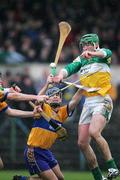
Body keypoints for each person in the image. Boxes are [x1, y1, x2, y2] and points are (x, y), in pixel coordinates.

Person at [52, 34, 119, 180]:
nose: (84, 47)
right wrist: (60, 76)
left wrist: (92, 53)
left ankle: (112, 166)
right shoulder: (81, 59)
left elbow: (105, 53)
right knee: (82, 143)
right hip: (88, 102)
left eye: (87, 44)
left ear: (95, 44)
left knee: (95, 132)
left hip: (102, 99)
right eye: (83, 45)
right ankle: (98, 177)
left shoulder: (103, 54)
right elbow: (69, 68)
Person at [13, 75, 83, 180]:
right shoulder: (44, 108)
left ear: (61, 98)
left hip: (46, 151)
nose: (55, 96)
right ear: (47, 100)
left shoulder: (62, 113)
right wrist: (47, 85)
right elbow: (37, 99)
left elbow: (74, 100)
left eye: (57, 95)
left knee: (60, 178)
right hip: (34, 151)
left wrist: (83, 86)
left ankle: (23, 179)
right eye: (52, 95)